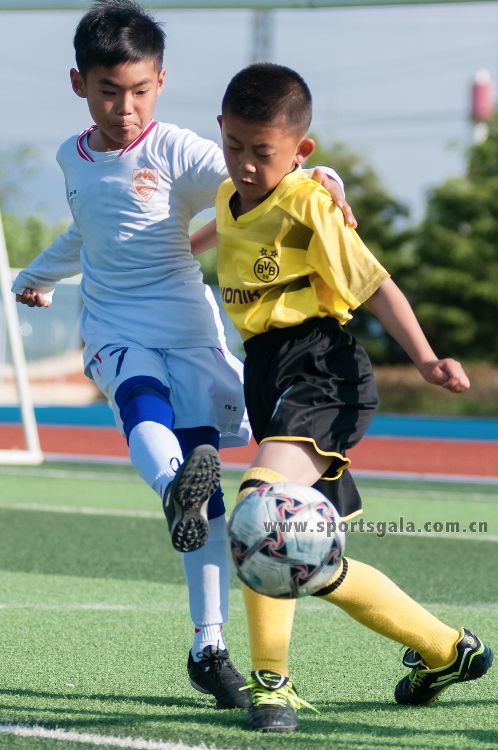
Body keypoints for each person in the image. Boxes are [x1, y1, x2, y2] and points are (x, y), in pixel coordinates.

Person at [11, 0, 353, 710]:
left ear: (160, 83)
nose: (125, 108)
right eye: (109, 91)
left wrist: (325, 179)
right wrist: (37, 274)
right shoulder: (72, 157)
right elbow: (88, 231)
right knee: (141, 401)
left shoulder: (178, 152)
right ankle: (174, 487)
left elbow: (263, 176)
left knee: (209, 492)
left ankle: (208, 645)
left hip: (189, 329)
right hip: (115, 324)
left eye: (139, 91)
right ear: (79, 85)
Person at [214, 62, 494, 732]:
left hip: (322, 367)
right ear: (220, 130)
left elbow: (374, 284)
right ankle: (448, 651)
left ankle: (271, 686)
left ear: (300, 151)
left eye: (263, 153)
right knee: (306, 558)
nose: (247, 165)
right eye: (234, 146)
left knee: (262, 513)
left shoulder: (309, 203)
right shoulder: (227, 197)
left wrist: (424, 358)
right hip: (267, 370)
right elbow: (199, 234)